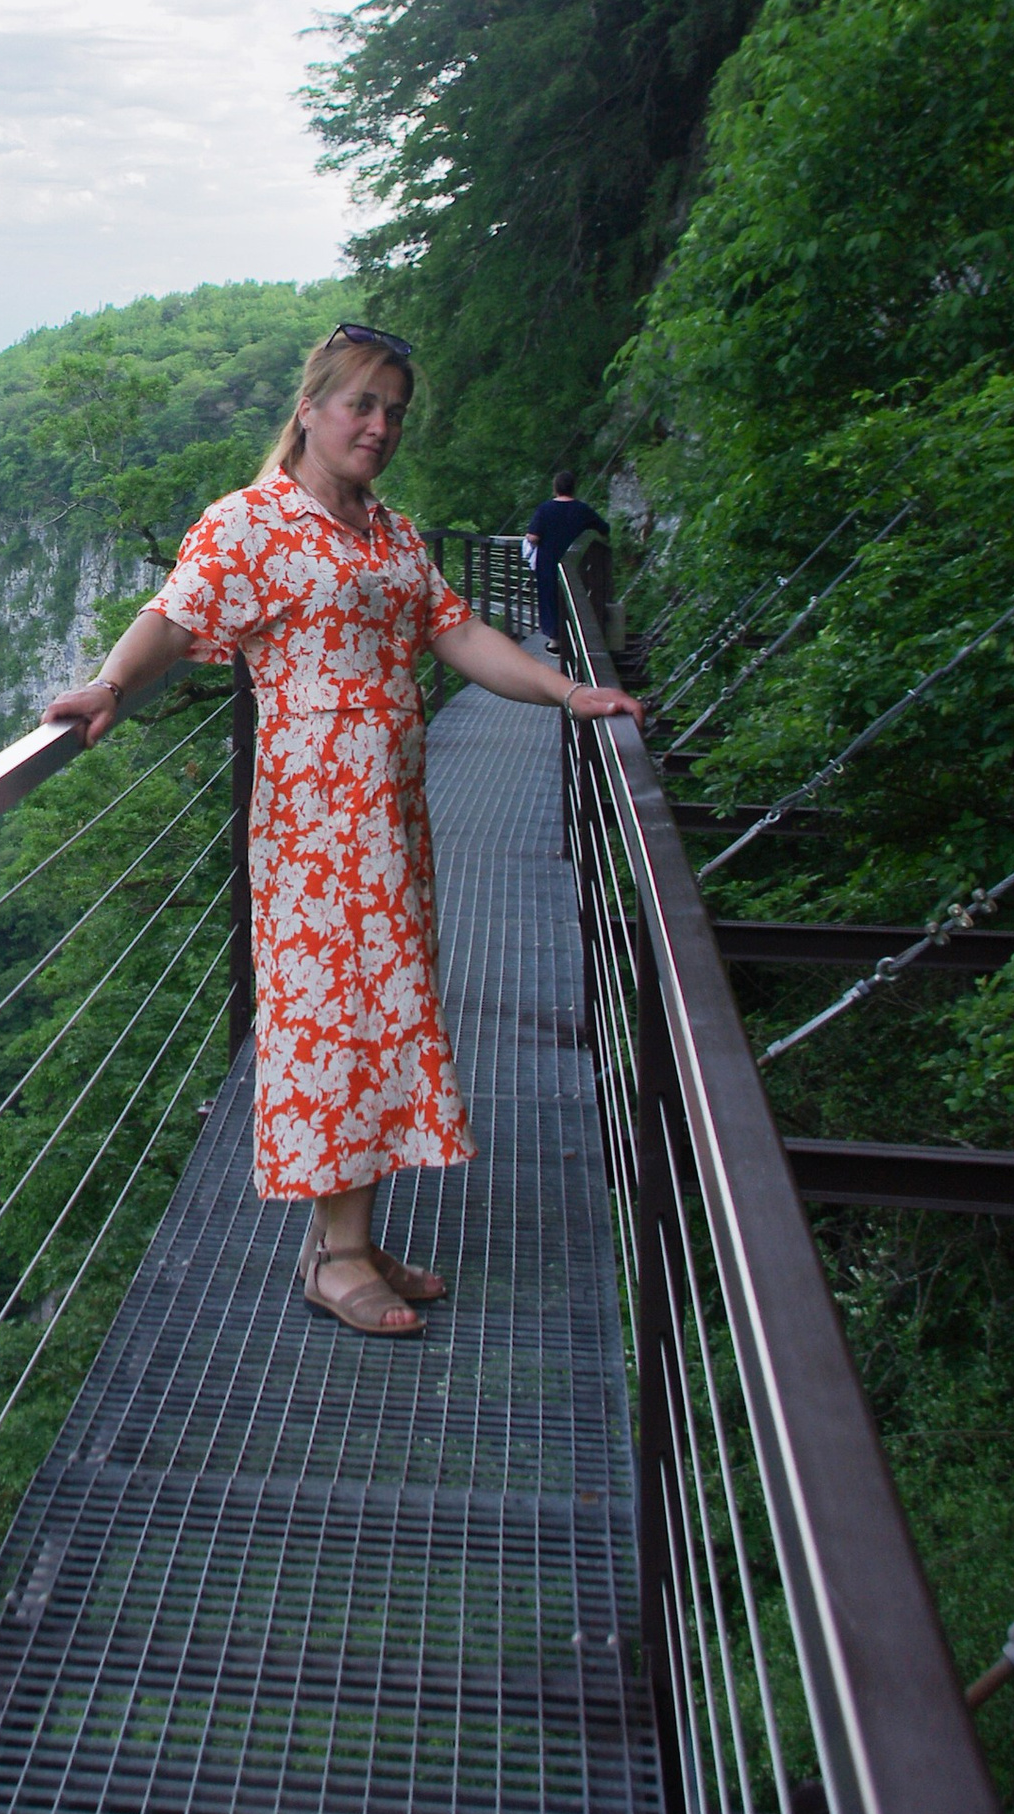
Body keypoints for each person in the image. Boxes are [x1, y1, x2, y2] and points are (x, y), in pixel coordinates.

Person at [45, 325, 639, 1338]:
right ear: (310, 408)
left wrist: (565, 690)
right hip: (315, 828)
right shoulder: (251, 523)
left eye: (394, 410)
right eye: (360, 403)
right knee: (329, 1024)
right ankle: (335, 1259)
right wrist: (107, 686)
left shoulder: (390, 533)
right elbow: (176, 618)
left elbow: (456, 631)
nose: (378, 425)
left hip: (393, 820)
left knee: (386, 1012)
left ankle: (349, 1238)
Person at [523, 470, 609, 658]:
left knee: (550, 597)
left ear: (555, 488)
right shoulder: (583, 510)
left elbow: (534, 536)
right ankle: (577, 637)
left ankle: (556, 641)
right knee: (575, 597)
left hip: (549, 562)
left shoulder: (545, 509)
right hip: (578, 563)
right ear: (573, 488)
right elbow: (604, 528)